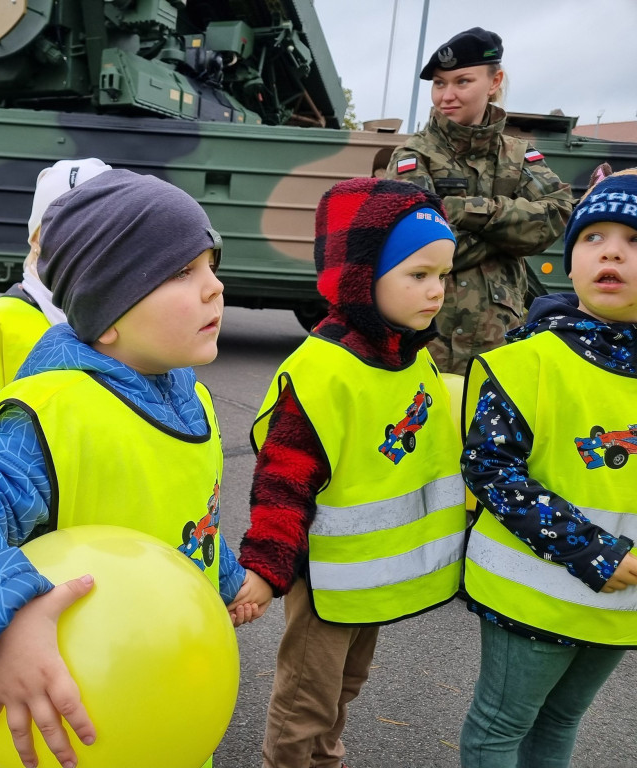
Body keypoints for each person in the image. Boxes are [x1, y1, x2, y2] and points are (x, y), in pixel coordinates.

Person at [0, 169, 272, 768]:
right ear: (107, 313)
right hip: (71, 711)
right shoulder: (53, 413)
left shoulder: (191, 398)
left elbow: (185, 514)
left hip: (165, 697)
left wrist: (227, 579)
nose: (214, 289)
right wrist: (0, 620)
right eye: (181, 273)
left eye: (210, 266)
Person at [240, 177, 468, 768]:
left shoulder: (407, 354)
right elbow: (283, 482)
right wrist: (268, 568)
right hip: (325, 581)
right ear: (363, 277)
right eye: (417, 275)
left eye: (442, 275)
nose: (436, 291)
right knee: (305, 701)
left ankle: (325, 757)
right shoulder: (324, 371)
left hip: (369, 579)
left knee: (344, 688)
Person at [457, 168, 637, 767]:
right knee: (501, 726)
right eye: (594, 237)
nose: (612, 249)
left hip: (621, 601)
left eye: (634, 240)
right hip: (534, 592)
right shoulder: (527, 359)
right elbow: (491, 468)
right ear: (569, 259)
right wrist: (594, 552)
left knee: (561, 721)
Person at [386, 27, 573, 375]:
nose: (447, 95)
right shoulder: (413, 156)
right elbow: (418, 250)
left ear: (494, 81)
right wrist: (507, 240)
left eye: (462, 81)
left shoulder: (518, 156)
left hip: (499, 345)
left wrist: (465, 211)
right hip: (428, 342)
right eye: (439, 83)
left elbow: (557, 215)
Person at [0, 157, 111, 389]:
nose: (84, 239)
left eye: (99, 224)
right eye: (63, 224)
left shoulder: (129, 327)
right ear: (35, 238)